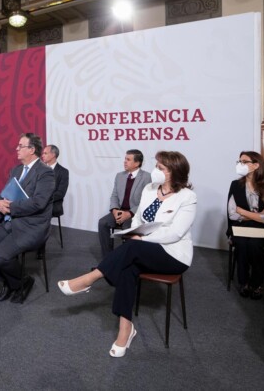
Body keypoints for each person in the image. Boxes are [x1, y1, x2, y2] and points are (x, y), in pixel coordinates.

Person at [59, 151, 196, 357]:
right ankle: (126, 328)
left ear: (174, 172)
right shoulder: (150, 189)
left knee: (131, 249)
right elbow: (140, 219)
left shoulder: (187, 197)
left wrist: (142, 239)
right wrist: (136, 232)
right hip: (144, 248)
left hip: (173, 254)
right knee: (127, 267)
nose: (155, 171)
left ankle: (90, 278)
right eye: (156, 166)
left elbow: (175, 232)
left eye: (161, 168)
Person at [0, 133, 54, 304]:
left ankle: (21, 282)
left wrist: (10, 207)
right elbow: (3, 195)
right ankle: (5, 282)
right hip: (8, 222)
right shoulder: (15, 170)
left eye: (21, 146)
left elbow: (39, 203)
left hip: (31, 226)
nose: (16, 149)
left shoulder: (45, 173)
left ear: (32, 150)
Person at [226, 151, 264, 300]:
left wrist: (243, 212)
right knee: (242, 243)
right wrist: (259, 215)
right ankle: (244, 282)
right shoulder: (235, 185)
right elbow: (232, 214)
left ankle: (257, 283)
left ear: (256, 165)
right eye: (239, 161)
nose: (240, 164)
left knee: (255, 244)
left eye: (244, 162)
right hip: (241, 228)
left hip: (262, 230)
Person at [97, 149, 151, 257]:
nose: (125, 162)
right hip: (119, 211)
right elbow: (114, 196)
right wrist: (115, 210)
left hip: (134, 213)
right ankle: (108, 258)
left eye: (128, 159)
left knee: (128, 227)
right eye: (125, 159)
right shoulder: (119, 176)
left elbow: (146, 201)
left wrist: (130, 213)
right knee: (103, 223)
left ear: (137, 163)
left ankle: (126, 259)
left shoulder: (146, 177)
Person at [41, 144, 69, 221]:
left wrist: (44, 199)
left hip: (53, 204)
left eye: (45, 153)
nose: (42, 155)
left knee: (36, 211)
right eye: (43, 153)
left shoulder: (63, 172)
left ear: (53, 155)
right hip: (38, 201)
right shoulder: (40, 169)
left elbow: (60, 193)